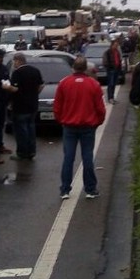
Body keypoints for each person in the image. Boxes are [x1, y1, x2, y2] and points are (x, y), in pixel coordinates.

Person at [54, 56, 106, 200]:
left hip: (69, 125)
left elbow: (57, 106)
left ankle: (65, 189)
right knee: (87, 156)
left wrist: (61, 120)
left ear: (73, 68)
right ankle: (90, 189)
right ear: (86, 69)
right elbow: (100, 108)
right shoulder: (93, 84)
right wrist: (98, 121)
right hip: (88, 125)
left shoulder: (64, 83)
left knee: (68, 158)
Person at [6, 53, 44, 160]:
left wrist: (7, 87)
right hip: (33, 105)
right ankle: (31, 151)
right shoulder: (35, 71)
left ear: (18, 61)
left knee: (21, 131)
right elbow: (41, 85)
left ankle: (22, 152)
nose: (14, 63)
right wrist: (34, 94)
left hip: (20, 106)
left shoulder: (17, 73)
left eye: (14, 61)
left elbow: (15, 89)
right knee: (31, 128)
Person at [102, 39, 123, 104]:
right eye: (115, 45)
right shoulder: (107, 52)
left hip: (116, 70)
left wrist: (119, 67)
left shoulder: (117, 52)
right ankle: (110, 98)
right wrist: (110, 67)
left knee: (114, 84)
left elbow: (119, 60)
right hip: (111, 70)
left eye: (117, 45)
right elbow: (105, 62)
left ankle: (112, 98)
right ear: (112, 45)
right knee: (110, 84)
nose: (116, 46)